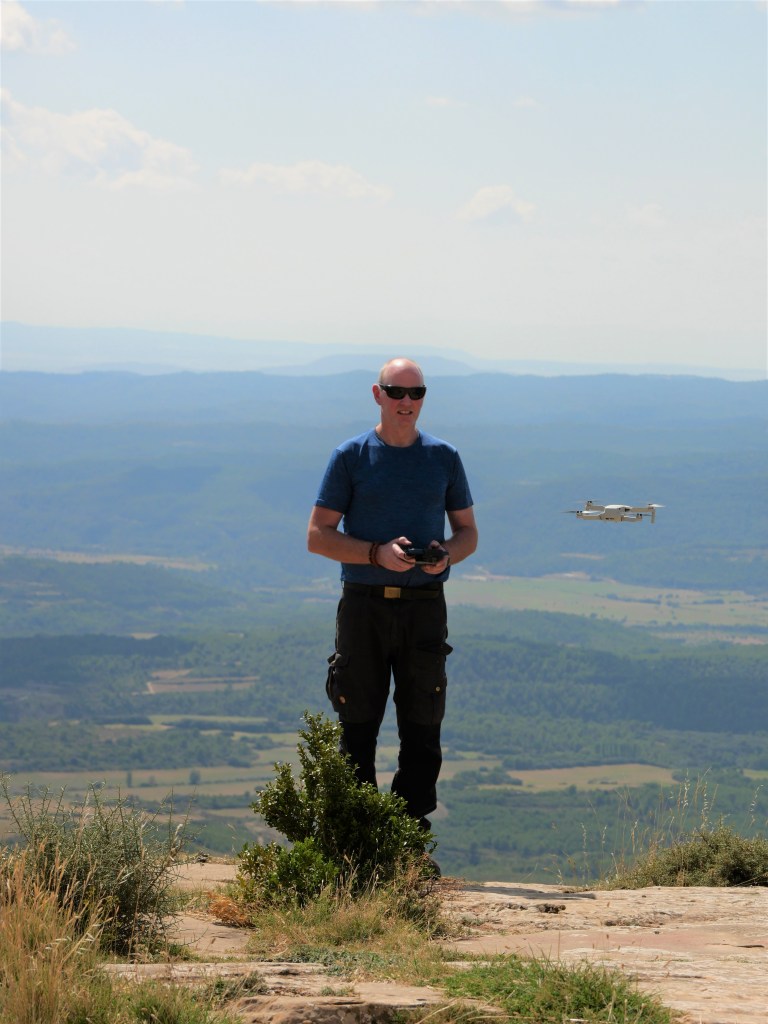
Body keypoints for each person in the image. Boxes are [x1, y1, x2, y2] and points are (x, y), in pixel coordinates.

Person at [307, 357, 478, 837]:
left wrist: (446, 556)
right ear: (377, 394)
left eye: (416, 393)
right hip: (363, 604)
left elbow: (467, 533)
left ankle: (407, 840)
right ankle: (355, 840)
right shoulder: (351, 456)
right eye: (396, 392)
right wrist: (375, 553)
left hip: (425, 605)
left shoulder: (444, 457)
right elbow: (318, 536)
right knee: (356, 725)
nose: (406, 402)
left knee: (423, 725)